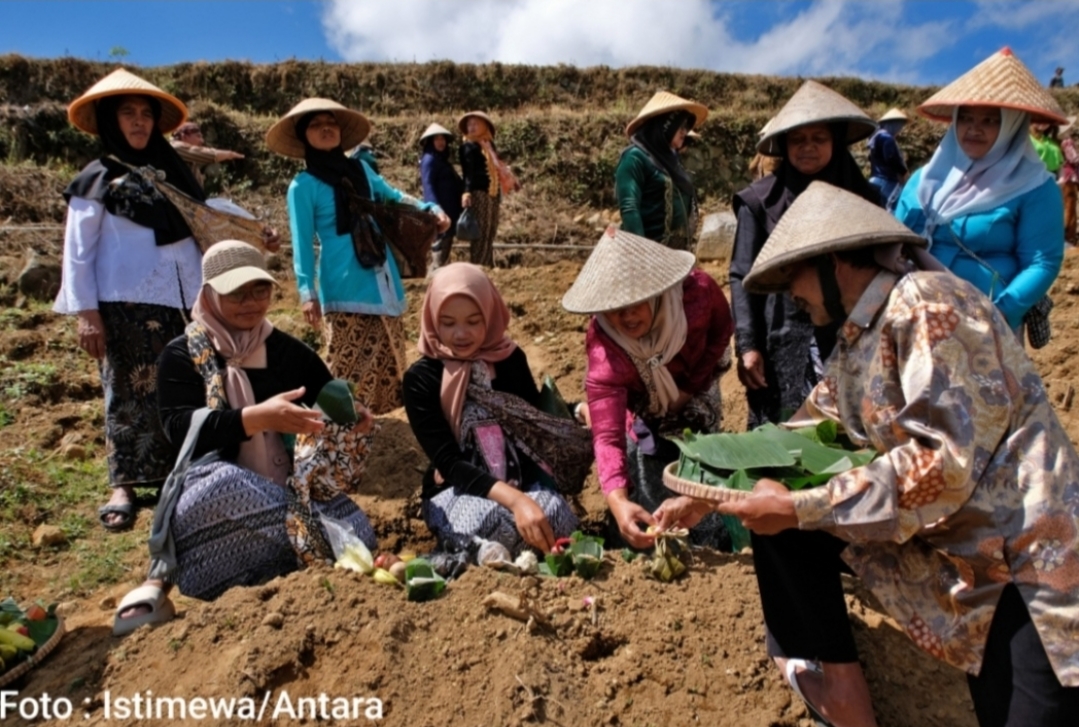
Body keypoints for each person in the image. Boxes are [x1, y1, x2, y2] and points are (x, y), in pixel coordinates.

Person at [669, 181, 1079, 727]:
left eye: (796, 276)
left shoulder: (926, 307)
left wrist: (799, 508)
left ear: (835, 262)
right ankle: (843, 692)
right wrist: (716, 491)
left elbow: (943, 466)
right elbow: (805, 431)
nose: (793, 294)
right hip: (962, 552)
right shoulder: (863, 333)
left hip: (1022, 560)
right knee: (781, 525)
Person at [112, 241, 377, 635]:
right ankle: (165, 577)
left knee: (360, 532)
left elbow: (329, 396)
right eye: (235, 292)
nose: (251, 303)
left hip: (285, 489)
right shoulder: (182, 355)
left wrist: (351, 419)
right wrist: (255, 419)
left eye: (260, 290)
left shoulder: (286, 351)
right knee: (226, 486)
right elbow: (179, 430)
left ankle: (283, 561)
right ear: (209, 294)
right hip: (212, 493)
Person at [55, 69, 209, 533]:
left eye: (146, 114)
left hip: (180, 302)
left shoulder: (172, 174)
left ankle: (176, 474)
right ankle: (123, 483)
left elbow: (203, 228)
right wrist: (86, 313)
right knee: (124, 392)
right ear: (109, 120)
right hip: (121, 304)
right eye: (128, 114)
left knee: (180, 387)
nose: (139, 123)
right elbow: (77, 250)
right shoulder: (97, 178)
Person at [267, 97, 450, 413]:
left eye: (331, 122)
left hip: (383, 277)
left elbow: (394, 199)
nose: (326, 128)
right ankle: (347, 426)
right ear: (303, 135)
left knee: (390, 359)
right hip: (343, 286)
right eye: (315, 124)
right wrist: (306, 292)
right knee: (347, 364)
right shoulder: (302, 186)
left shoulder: (362, 170)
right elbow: (301, 241)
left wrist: (430, 209)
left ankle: (380, 430)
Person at [562, 227, 733, 550]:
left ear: (658, 292)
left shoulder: (698, 295)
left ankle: (711, 540)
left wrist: (687, 389)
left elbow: (720, 334)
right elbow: (607, 433)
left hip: (697, 384)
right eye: (614, 307)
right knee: (641, 459)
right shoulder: (605, 346)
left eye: (637, 303)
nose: (626, 316)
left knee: (698, 454)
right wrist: (616, 498)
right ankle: (630, 535)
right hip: (639, 400)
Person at [403, 263, 589, 557]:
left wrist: (578, 409)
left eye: (474, 321)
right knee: (486, 522)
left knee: (555, 514)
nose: (460, 334)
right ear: (432, 319)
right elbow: (450, 463)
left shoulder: (509, 359)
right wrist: (516, 502)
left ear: (489, 316)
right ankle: (467, 554)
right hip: (458, 491)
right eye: (448, 323)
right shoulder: (421, 379)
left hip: (520, 482)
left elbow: (530, 414)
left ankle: (484, 554)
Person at [729, 80, 880, 429]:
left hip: (854, 335)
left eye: (819, 139)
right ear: (783, 146)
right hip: (778, 334)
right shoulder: (759, 203)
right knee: (780, 433)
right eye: (798, 140)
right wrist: (748, 345)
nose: (808, 147)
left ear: (836, 141)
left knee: (848, 429)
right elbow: (741, 274)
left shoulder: (865, 201)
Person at [895, 48, 1066, 335]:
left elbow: (1042, 260)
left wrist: (1000, 311)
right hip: (915, 313)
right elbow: (893, 235)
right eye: (966, 118)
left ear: (1012, 126)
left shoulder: (1034, 187)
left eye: (990, 120)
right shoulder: (925, 179)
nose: (974, 129)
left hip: (984, 324)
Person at [615, 91, 707, 251]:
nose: (685, 132)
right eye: (681, 126)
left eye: (687, 127)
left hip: (676, 257)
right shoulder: (635, 157)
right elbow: (630, 207)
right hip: (647, 257)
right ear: (666, 124)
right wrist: (642, 255)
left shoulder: (672, 163)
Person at [458, 111, 519, 267]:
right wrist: (467, 192)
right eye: (469, 124)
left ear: (483, 126)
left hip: (492, 192)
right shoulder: (468, 146)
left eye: (475, 124)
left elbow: (498, 167)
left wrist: (511, 181)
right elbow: (468, 172)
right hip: (479, 193)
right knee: (480, 231)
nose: (471, 128)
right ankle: (478, 265)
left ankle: (487, 264)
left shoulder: (488, 145)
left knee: (491, 230)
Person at [419, 122, 464, 270]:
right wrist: (436, 209)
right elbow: (428, 185)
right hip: (441, 212)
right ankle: (434, 278)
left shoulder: (441, 160)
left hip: (450, 211)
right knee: (439, 249)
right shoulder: (429, 160)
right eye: (437, 139)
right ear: (430, 142)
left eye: (442, 139)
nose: (441, 142)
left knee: (446, 246)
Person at [170, 122, 245, 188]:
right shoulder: (176, 147)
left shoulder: (183, 153)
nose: (202, 141)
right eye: (198, 136)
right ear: (184, 136)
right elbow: (211, 155)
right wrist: (230, 154)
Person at [867, 107, 909, 211]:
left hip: (875, 178)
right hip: (887, 180)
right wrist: (903, 172)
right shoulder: (887, 138)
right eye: (900, 125)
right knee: (887, 209)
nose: (900, 129)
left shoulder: (876, 136)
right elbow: (891, 158)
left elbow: (870, 157)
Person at [1059, 117, 1079, 243]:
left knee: (1069, 204)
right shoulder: (1067, 142)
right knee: (1070, 204)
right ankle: (1069, 234)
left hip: (1065, 175)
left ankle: (1070, 233)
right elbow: (1074, 159)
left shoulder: (1060, 141)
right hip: (1070, 176)